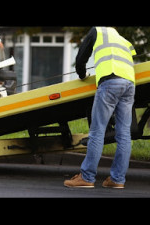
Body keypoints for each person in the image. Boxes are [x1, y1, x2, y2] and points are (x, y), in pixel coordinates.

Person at [64, 27, 136, 189]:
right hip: (129, 84)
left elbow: (81, 57)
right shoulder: (123, 39)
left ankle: (87, 177)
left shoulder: (98, 31)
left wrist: (82, 75)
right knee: (124, 134)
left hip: (110, 81)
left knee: (97, 131)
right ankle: (117, 179)